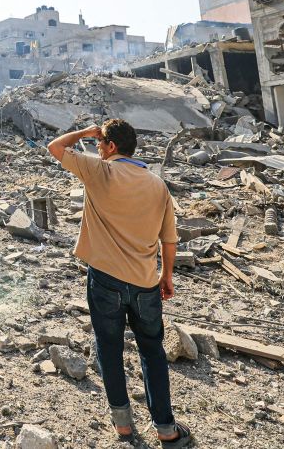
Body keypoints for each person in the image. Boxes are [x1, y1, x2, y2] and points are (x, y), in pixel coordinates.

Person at [47, 118, 192, 447]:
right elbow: (169, 239)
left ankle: (124, 426)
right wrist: (166, 276)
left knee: (109, 350)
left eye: (100, 144)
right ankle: (166, 429)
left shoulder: (101, 173)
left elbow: (55, 147)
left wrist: (85, 131)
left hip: (105, 281)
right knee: (152, 352)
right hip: (145, 283)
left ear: (111, 147)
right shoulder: (157, 185)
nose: (96, 149)